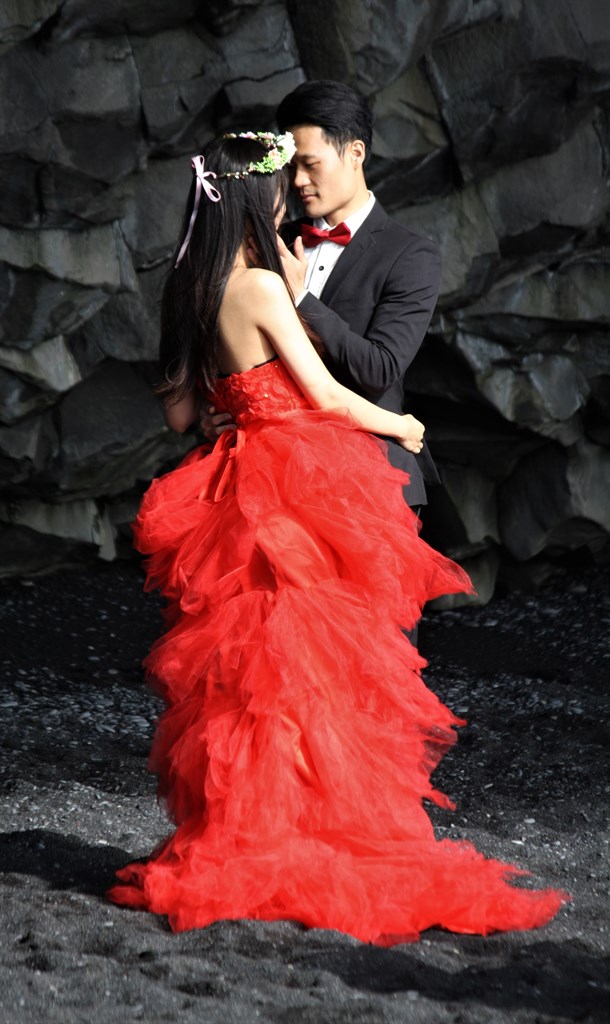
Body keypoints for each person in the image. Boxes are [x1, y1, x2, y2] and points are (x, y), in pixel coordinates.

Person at [107, 131, 568, 943]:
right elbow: (325, 395)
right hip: (295, 485)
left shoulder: (189, 285)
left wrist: (231, 405)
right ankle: (305, 837)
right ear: (255, 199)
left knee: (249, 679)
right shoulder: (256, 282)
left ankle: (244, 834)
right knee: (312, 669)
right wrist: (404, 424)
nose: (289, 197)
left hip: (233, 483)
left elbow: (183, 413)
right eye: (278, 186)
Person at [205, 80, 441, 512]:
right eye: (292, 166)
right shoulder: (272, 239)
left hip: (375, 477)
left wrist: (302, 299)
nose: (297, 180)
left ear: (355, 153)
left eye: (310, 164)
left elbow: (380, 368)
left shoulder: (410, 255)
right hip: (278, 479)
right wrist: (222, 406)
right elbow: (235, 340)